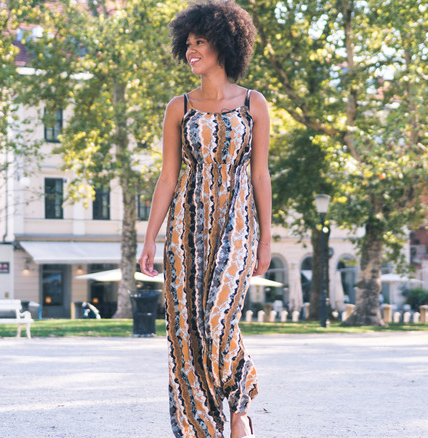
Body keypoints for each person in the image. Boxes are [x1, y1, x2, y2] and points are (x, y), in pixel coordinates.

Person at [137, 2, 270, 437]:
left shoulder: (254, 104)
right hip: (184, 230)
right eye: (188, 43)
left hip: (236, 224)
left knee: (216, 320)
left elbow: (260, 174)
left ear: (225, 45)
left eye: (201, 42)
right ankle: (204, 428)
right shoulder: (179, 107)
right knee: (186, 333)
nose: (192, 50)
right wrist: (150, 237)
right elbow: (168, 177)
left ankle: (240, 404)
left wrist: (266, 240)